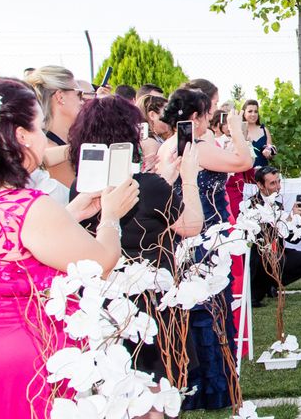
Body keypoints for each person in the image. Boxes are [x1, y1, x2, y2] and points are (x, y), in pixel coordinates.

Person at [0, 78, 139, 419]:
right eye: (40, 128)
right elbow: (100, 263)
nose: (44, 138)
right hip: (25, 358)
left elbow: (17, 247)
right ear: (21, 136)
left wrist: (71, 213)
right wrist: (110, 217)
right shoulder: (26, 205)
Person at [67, 96, 203, 418]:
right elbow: (191, 225)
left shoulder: (80, 191)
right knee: (158, 402)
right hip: (153, 309)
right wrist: (188, 178)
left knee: (115, 399)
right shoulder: (149, 186)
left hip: (104, 310)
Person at [158, 87, 253, 411]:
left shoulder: (167, 148)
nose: (211, 120)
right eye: (208, 115)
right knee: (210, 309)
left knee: (188, 311)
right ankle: (214, 389)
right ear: (196, 117)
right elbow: (244, 161)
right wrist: (238, 131)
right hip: (206, 237)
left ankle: (189, 384)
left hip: (179, 239)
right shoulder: (197, 148)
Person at [248, 166, 301, 307]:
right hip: (260, 258)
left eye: (278, 182)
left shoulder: (277, 204)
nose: (277, 187)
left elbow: (290, 239)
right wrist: (289, 220)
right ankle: (260, 288)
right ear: (260, 185)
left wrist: (300, 223)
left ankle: (273, 283)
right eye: (272, 183)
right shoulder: (252, 205)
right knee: (277, 260)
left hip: (278, 254)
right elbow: (264, 236)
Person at [26, 66, 83, 187]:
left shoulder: (64, 143)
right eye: (79, 95)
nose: (82, 101)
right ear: (60, 97)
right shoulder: (49, 150)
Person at [243, 99, 275, 169]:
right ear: (244, 113)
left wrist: (269, 153)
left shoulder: (264, 130)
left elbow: (270, 151)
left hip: (263, 174)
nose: (253, 114)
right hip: (244, 173)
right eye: (250, 111)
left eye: (256, 111)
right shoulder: (239, 131)